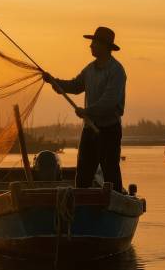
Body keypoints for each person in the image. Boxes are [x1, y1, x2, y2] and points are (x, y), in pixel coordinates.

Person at [42, 26, 127, 192]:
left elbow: (109, 101)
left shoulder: (117, 71)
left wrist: (87, 111)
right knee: (82, 176)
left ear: (104, 46)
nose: (91, 46)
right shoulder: (90, 69)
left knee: (111, 174)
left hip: (108, 130)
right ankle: (81, 209)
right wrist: (54, 81)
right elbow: (74, 85)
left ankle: (114, 206)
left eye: (94, 43)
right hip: (90, 129)